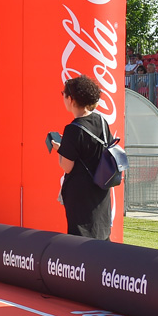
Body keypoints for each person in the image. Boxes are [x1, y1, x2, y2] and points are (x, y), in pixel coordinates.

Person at [51, 75, 114, 240]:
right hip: (101, 189)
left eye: (63, 94)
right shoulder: (101, 121)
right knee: (102, 237)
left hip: (81, 195)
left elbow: (67, 166)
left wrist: (60, 149)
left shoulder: (73, 129)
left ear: (71, 99)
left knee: (80, 242)